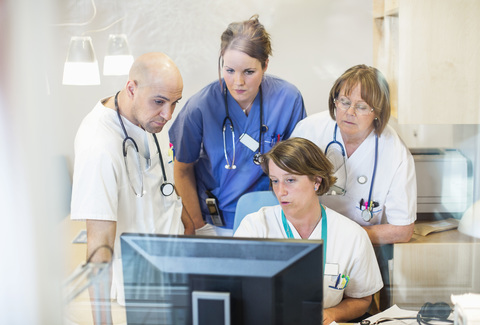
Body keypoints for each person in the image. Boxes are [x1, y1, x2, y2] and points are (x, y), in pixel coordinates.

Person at [70, 52, 194, 320]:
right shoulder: (99, 146)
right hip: (142, 286)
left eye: (175, 103)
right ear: (131, 89)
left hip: (174, 265)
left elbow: (163, 182)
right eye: (160, 102)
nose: (168, 114)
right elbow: (99, 244)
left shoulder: (148, 117)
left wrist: (189, 226)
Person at [291, 64, 416, 310]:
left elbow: (403, 230)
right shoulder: (309, 131)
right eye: (344, 101)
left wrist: (347, 237)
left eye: (361, 107)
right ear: (334, 101)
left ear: (377, 112)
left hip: (363, 248)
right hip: (307, 241)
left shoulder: (395, 152)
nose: (349, 112)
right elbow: (286, 188)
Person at [168, 15, 306, 236]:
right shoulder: (200, 107)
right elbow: (182, 168)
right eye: (229, 70)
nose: (238, 82)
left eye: (249, 72)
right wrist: (198, 227)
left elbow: (299, 168)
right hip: (216, 222)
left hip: (273, 219)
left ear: (265, 65)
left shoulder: (287, 99)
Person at [234, 137, 383, 325]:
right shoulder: (254, 228)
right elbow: (235, 294)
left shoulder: (352, 236)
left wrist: (332, 314)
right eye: (274, 181)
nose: (280, 191)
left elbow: (362, 300)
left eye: (290, 180)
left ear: (316, 181)